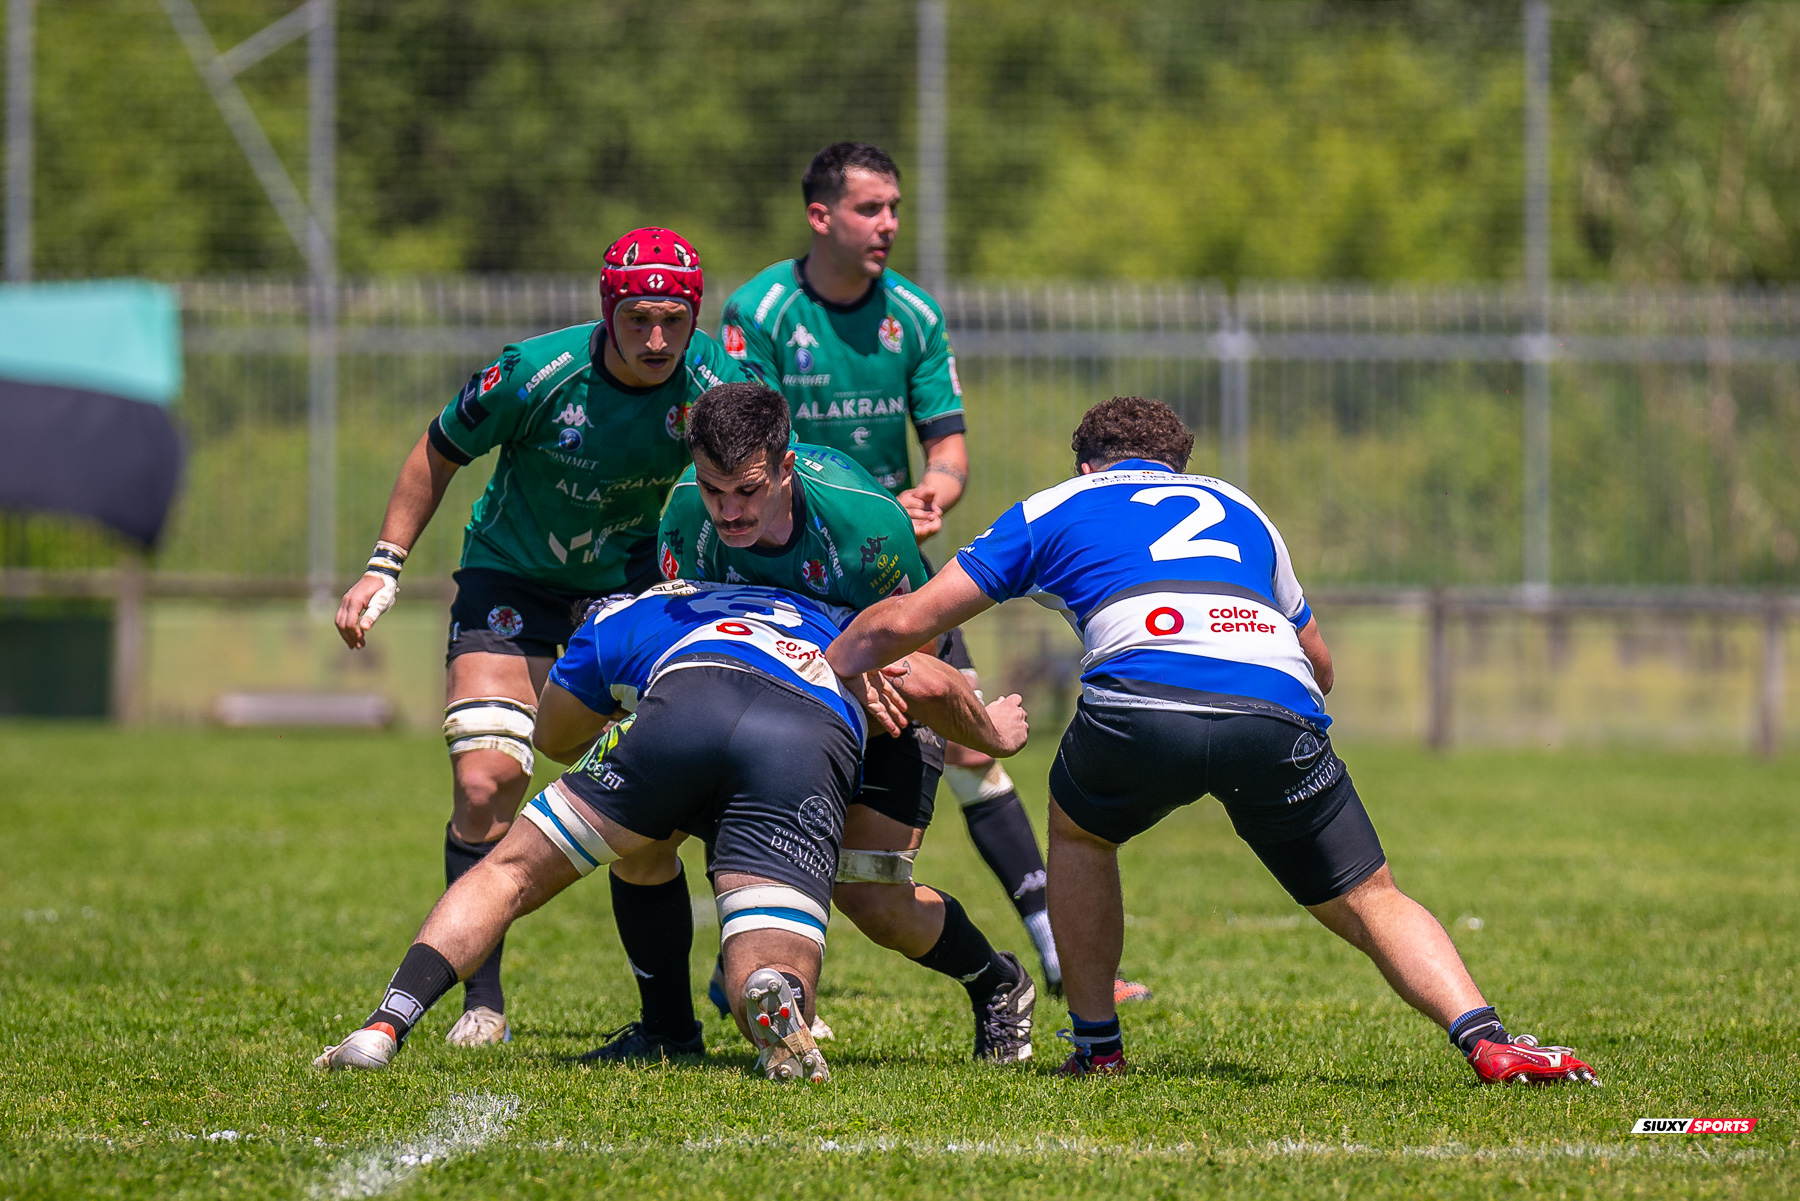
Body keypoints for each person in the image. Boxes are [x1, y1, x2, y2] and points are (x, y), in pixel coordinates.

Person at [825, 396, 1601, 1086]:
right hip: (1276, 701)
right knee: (1371, 894)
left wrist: (826, 665)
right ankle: (1490, 1039)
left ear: (1088, 462)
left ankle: (1097, 1046)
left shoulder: (1063, 501)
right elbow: (1321, 665)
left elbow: (911, 618)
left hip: (1141, 701)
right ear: (1176, 465)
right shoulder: (1240, 506)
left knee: (1082, 832)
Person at [717, 142, 1141, 1002]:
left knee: (969, 740)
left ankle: (1057, 954)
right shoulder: (757, 311)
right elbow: (740, 443)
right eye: (872, 208)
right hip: (785, 570)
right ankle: (747, 968)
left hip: (890, 568)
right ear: (820, 216)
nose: (889, 226)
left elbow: (946, 442)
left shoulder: (910, 313)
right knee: (780, 751)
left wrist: (933, 490)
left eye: (896, 208)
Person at [315, 580, 1021, 1082]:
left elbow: (557, 735)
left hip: (686, 707)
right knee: (753, 946)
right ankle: (767, 993)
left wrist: (620, 708)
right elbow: (930, 679)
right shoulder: (834, 610)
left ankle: (385, 1023)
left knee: (511, 869)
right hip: (803, 735)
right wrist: (995, 734)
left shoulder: (619, 617)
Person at [331, 227, 746, 1048]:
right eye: (638, 319)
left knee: (649, 824)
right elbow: (437, 449)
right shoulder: (534, 374)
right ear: (607, 310)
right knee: (487, 782)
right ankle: (481, 1001)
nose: (656, 338)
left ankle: (667, 1024)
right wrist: (385, 563)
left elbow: (761, 483)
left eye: (673, 319)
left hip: (634, 599)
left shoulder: (720, 385)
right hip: (512, 585)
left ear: (695, 315)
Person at [586, 380, 1038, 1066]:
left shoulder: (863, 524)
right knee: (641, 838)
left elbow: (915, 644)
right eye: (716, 490)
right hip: (761, 697)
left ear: (786, 468)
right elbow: (689, 629)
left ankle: (997, 982)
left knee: (869, 893)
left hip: (887, 688)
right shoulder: (685, 515)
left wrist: (849, 660)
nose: (730, 512)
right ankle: (667, 1031)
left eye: (748, 489)